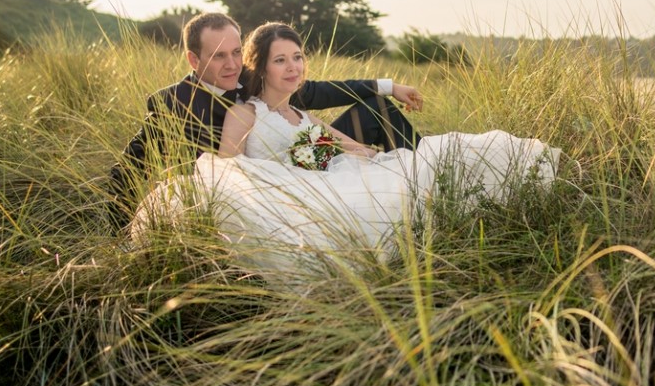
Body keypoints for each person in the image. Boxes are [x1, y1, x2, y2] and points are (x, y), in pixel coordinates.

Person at [132, 22, 560, 276]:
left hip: (321, 171)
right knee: (385, 197)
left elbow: (343, 145)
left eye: (297, 57)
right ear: (260, 65)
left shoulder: (297, 109)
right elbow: (228, 170)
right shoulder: (244, 112)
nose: (293, 67)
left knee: (419, 164)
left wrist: (379, 156)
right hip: (296, 189)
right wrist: (303, 165)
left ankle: (462, 187)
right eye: (280, 60)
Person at [109, 12, 421, 230]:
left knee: (378, 108)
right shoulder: (172, 103)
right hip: (258, 195)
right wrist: (119, 234)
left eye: (235, 52)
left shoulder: (256, 73)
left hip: (304, 156)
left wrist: (390, 87)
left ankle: (425, 184)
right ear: (194, 59)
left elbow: (317, 90)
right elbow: (127, 170)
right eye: (218, 56)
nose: (232, 65)